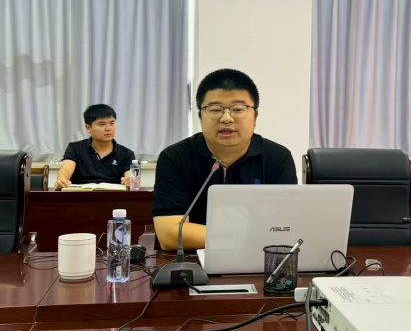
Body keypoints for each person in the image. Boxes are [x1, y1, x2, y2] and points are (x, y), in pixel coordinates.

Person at [153, 69, 298, 250]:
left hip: (257, 260)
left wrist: (225, 237)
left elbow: (285, 230)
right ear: (200, 117)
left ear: (255, 117)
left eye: (238, 109)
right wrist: (250, 237)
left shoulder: (277, 158)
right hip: (190, 261)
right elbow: (169, 235)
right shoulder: (175, 158)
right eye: (215, 110)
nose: (226, 118)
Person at [54, 105, 136, 190]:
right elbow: (66, 168)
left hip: (114, 196)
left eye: (112, 123)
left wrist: (130, 180)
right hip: (81, 195)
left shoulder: (126, 153)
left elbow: (130, 175)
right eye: (102, 124)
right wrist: (62, 180)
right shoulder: (75, 148)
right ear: (88, 128)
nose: (108, 128)